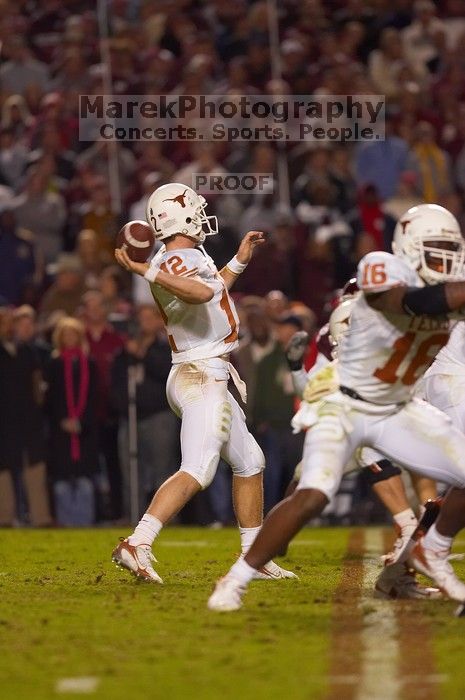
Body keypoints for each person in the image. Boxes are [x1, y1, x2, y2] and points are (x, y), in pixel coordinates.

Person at [207, 203, 465, 611]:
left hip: (397, 408)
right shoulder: (383, 267)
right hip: (344, 404)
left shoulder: (454, 287)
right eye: (435, 248)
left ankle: (426, 552)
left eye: (452, 248)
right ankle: (236, 577)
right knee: (312, 495)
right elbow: (409, 304)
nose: (446, 258)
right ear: (410, 246)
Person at [112, 182, 296, 583]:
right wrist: (148, 270)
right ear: (179, 215)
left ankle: (254, 556)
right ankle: (137, 542)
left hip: (205, 371)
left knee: (251, 462)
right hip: (200, 375)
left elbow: (210, 291)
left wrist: (239, 261)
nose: (201, 212)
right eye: (194, 206)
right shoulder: (175, 260)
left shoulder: (184, 257)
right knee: (198, 468)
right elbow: (197, 294)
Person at [45, 317, 98, 526]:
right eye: (66, 334)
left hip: (85, 431)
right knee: (62, 479)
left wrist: (82, 422)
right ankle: (66, 521)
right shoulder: (53, 364)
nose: (69, 338)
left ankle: (84, 520)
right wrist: (62, 421)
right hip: (61, 431)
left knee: (85, 479)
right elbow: (50, 399)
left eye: (73, 334)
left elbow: (94, 397)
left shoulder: (89, 364)